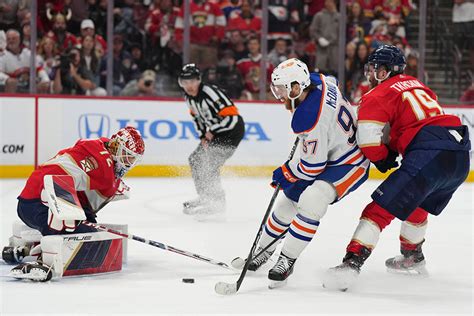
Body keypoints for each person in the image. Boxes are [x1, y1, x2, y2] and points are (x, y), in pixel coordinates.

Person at [323, 45, 471, 291]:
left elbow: (368, 140)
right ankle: (412, 256)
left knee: (377, 210)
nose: (371, 75)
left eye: (375, 69)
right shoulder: (417, 83)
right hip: (460, 154)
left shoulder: (378, 94)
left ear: (385, 71)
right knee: (418, 201)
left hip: (429, 154)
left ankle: (351, 264)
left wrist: (383, 158)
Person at [247, 58, 369, 288]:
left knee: (312, 200)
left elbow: (313, 166)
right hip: (330, 149)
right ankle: (261, 251)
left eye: (283, 89)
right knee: (287, 202)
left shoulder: (308, 118)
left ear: (297, 86)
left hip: (349, 162)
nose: (280, 95)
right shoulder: (319, 80)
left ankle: (286, 260)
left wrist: (286, 173)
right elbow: (330, 83)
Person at [2, 127, 145, 279]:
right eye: (127, 156)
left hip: (29, 202)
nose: (129, 163)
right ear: (116, 146)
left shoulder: (99, 144)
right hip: (40, 203)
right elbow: (104, 191)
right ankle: (44, 259)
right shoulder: (105, 170)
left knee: (82, 226)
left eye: (133, 159)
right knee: (86, 236)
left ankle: (24, 248)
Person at [178, 63, 245, 219]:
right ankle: (205, 196)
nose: (189, 86)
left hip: (231, 132)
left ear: (199, 80)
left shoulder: (210, 93)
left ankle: (217, 203)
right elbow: (197, 118)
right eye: (185, 82)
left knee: (210, 162)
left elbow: (232, 118)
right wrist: (203, 135)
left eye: (192, 81)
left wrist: (212, 130)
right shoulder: (188, 97)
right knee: (195, 159)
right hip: (215, 134)